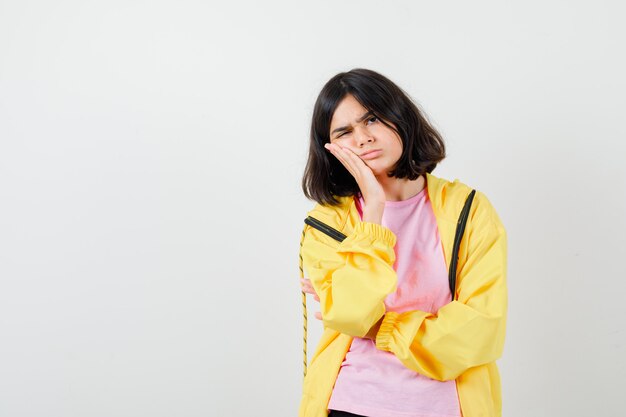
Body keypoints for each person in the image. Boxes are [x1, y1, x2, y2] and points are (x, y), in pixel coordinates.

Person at [298, 68, 508, 417]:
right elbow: (351, 315)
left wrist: (383, 326)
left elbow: (480, 329)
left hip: (446, 406)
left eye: (373, 119)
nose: (363, 138)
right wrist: (374, 212)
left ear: (400, 118)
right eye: (345, 132)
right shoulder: (327, 223)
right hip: (350, 403)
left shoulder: (469, 210)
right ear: (331, 148)